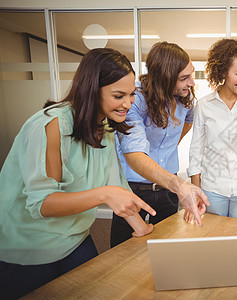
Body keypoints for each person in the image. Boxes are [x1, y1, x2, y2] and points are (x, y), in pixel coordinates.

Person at [0, 48, 154, 299]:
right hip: (29, 245)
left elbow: (117, 185)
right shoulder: (51, 125)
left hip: (74, 237)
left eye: (131, 95)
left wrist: (142, 229)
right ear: (92, 90)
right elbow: (43, 204)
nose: (128, 103)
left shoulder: (103, 125)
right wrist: (104, 194)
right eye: (118, 95)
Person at [111, 42, 209, 247]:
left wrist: (165, 149)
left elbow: (186, 125)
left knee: (165, 248)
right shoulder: (134, 100)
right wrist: (180, 185)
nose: (191, 82)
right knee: (122, 250)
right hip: (133, 189)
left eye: (191, 75)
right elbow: (134, 155)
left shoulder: (186, 99)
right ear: (164, 77)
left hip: (167, 191)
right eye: (184, 78)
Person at [187, 38, 237, 223]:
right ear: (223, 71)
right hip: (212, 189)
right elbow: (196, 151)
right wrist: (196, 191)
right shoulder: (204, 105)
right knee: (212, 244)